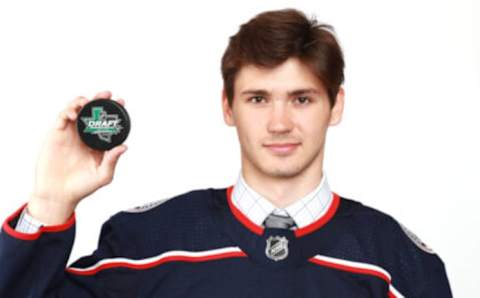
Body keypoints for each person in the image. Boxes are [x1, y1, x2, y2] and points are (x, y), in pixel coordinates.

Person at [0, 8, 452, 298]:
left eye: (301, 98)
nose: (279, 123)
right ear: (227, 107)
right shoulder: (146, 243)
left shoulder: (396, 261)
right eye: (258, 99)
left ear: (336, 106)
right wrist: (49, 206)